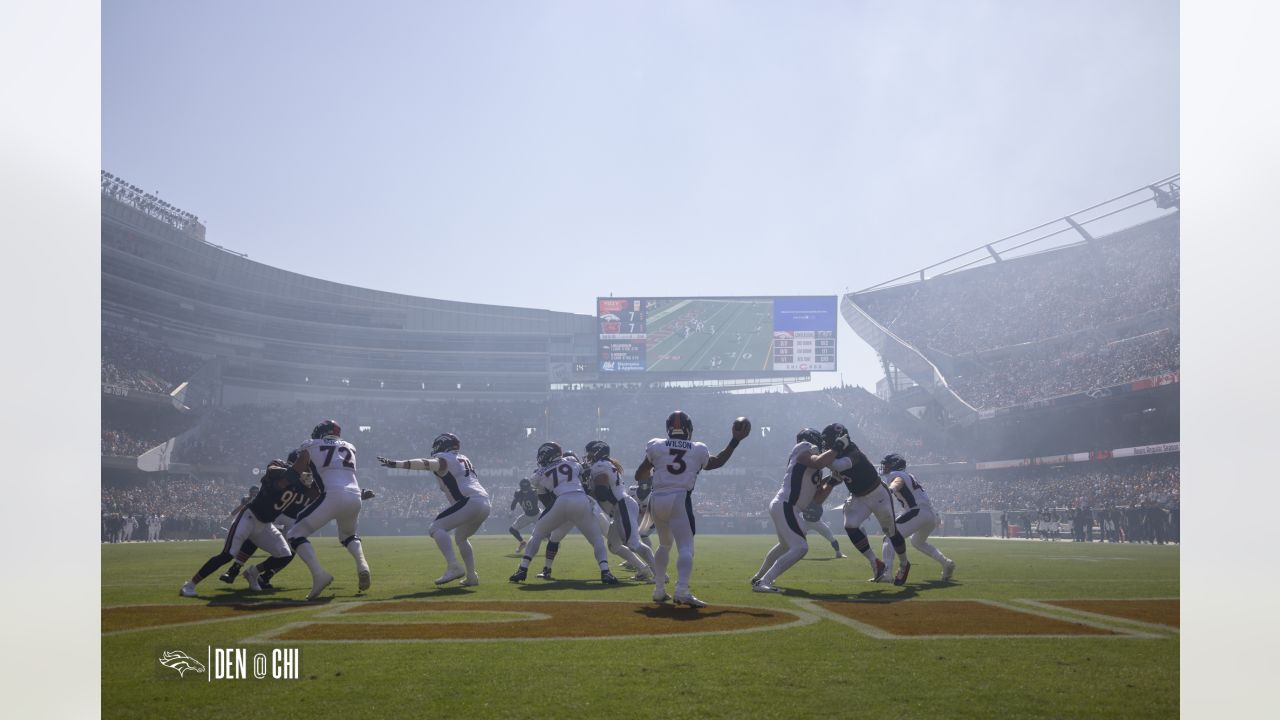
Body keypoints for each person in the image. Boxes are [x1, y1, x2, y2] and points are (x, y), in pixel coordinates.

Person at [634, 410, 750, 607]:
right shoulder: (698, 448)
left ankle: (659, 590)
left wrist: (658, 467)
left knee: (664, 545)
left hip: (657, 498)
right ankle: (682, 590)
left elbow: (640, 475)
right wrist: (735, 440)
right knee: (686, 547)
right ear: (688, 429)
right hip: (679, 497)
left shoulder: (656, 445)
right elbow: (717, 462)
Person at [180, 460, 308, 597]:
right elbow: (272, 469)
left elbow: (310, 489)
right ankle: (190, 584)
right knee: (227, 554)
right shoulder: (270, 478)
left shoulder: (294, 486)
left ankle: (252, 573)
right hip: (248, 518)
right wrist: (291, 469)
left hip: (265, 526)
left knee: (285, 555)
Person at [378, 432, 490, 587]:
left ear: (441, 445)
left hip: (470, 501)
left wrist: (398, 464)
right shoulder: (463, 458)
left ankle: (453, 566)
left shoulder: (445, 459)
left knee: (435, 527)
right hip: (484, 502)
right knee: (460, 538)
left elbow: (426, 464)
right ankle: (472, 576)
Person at [813, 423, 911, 585]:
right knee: (850, 525)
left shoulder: (852, 451)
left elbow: (838, 466)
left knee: (891, 531)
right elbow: (839, 475)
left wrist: (823, 459)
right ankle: (876, 564)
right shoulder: (836, 454)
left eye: (829, 440)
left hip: (878, 493)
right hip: (858, 497)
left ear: (839, 439)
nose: (826, 444)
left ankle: (904, 563)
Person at [509, 442, 618, 585]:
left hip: (561, 500)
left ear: (547, 454)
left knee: (537, 534)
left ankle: (523, 569)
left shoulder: (540, 472)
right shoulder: (572, 461)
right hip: (581, 500)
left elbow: (540, 490)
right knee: (597, 539)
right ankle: (605, 571)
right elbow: (584, 471)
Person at [285, 420, 371, 600]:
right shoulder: (350, 447)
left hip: (332, 494)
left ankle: (319, 575)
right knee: (348, 536)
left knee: (294, 534)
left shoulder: (310, 444)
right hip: (355, 495)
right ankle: (362, 565)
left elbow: (297, 469)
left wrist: (286, 481)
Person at [751, 428, 840, 592]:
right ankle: (764, 581)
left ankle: (759, 576)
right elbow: (818, 462)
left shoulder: (815, 468)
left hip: (788, 506)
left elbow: (817, 499)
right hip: (786, 504)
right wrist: (837, 447)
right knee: (800, 547)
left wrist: (833, 481)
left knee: (785, 546)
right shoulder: (803, 447)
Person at [585, 440, 655, 581]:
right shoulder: (604, 465)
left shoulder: (600, 466)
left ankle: (660, 574)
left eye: (590, 453)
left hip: (622, 506)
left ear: (597, 452)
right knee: (614, 545)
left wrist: (587, 487)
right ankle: (643, 569)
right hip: (619, 508)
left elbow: (602, 492)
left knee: (634, 544)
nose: (587, 457)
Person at [879, 454, 954, 582]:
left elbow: (898, 482)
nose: (884, 467)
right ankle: (946, 563)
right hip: (930, 515)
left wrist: (890, 489)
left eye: (887, 465)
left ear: (894, 465)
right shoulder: (909, 475)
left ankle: (886, 574)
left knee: (889, 537)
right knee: (917, 542)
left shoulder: (896, 475)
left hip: (917, 511)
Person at [508, 478, 540, 554]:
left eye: (526, 488)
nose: (525, 490)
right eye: (523, 488)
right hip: (527, 515)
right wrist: (512, 511)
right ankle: (522, 543)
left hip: (537, 515)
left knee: (545, 531)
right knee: (512, 529)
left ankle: (553, 543)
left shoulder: (534, 492)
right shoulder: (518, 493)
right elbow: (514, 502)